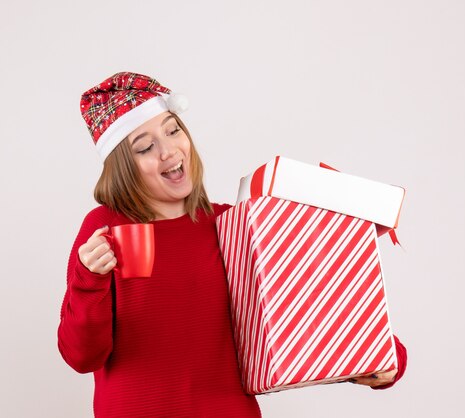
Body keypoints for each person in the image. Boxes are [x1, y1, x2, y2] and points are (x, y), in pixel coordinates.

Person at [57, 71, 407, 417]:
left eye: (173, 130)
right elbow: (82, 356)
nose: (168, 151)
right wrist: (90, 282)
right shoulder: (107, 228)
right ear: (123, 169)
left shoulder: (234, 224)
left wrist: (384, 355)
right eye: (146, 147)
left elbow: (310, 301)